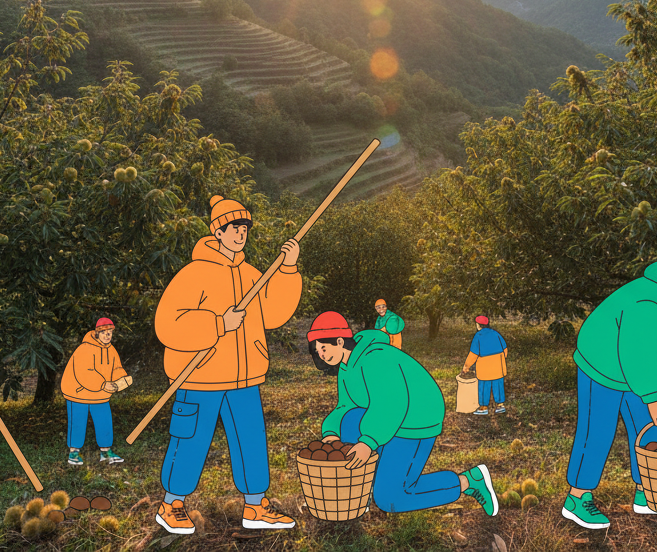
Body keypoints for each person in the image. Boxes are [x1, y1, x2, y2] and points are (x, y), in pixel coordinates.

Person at [152, 195, 302, 535]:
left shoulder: (252, 274)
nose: (240, 233)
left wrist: (288, 269)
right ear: (217, 232)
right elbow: (168, 324)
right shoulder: (194, 274)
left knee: (250, 438)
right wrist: (218, 323)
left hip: (244, 375)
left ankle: (255, 506)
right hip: (200, 376)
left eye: (244, 227)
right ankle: (171, 504)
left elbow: (274, 314)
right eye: (233, 227)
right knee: (189, 438)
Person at [561, 240, 657, 530]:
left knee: (651, 429)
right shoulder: (650, 297)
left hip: (634, 371)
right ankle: (577, 498)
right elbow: (638, 351)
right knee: (597, 431)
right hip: (603, 364)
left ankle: (646, 493)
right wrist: (653, 398)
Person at [307, 311, 499, 517]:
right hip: (389, 418)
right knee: (348, 422)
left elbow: (390, 404)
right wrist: (330, 434)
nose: (322, 355)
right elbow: (345, 406)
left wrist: (368, 442)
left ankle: (468, 481)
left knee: (390, 498)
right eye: (318, 351)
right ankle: (372, 479)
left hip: (414, 418)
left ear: (339, 341)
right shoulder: (346, 367)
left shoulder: (375, 358)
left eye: (324, 348)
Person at [60, 317, 132, 467]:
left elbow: (116, 368)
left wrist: (121, 380)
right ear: (97, 333)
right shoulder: (84, 349)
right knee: (77, 422)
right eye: (104, 332)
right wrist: (103, 384)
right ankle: (74, 452)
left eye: (110, 332)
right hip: (77, 393)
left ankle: (105, 452)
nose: (107, 335)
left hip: (100, 395)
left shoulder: (111, 350)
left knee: (104, 420)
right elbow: (84, 372)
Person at [463, 315, 508, 415]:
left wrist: (466, 366)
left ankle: (483, 408)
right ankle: (500, 405)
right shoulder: (496, 334)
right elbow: (505, 349)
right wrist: (501, 358)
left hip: (485, 368)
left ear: (478, 325)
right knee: (498, 385)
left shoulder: (478, 336)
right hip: (498, 366)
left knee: (484, 386)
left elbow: (473, 354)